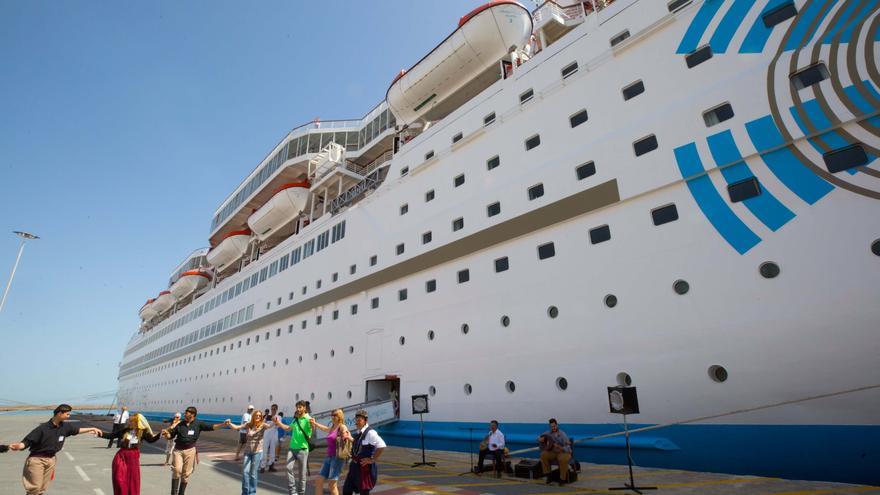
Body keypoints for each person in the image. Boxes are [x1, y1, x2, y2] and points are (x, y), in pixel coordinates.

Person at [8, 404, 104, 495]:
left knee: (42, 488)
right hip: (37, 460)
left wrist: (92, 429)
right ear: (59, 413)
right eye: (67, 414)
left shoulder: (65, 427)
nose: (69, 416)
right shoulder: (42, 428)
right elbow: (27, 441)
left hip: (51, 460)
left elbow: (77, 430)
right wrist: (19, 446)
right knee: (34, 488)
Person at [162, 406, 226, 495]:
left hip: (190, 451)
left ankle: (181, 493)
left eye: (186, 413)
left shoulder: (198, 423)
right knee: (176, 470)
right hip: (178, 450)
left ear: (192, 414)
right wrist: (166, 435)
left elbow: (211, 427)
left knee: (186, 474)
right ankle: (173, 493)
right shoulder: (180, 424)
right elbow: (171, 435)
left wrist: (223, 424)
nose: (184, 414)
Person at [102, 412, 162, 495]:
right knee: (119, 478)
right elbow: (112, 435)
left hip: (133, 457)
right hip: (122, 455)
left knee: (132, 479)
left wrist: (160, 434)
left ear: (137, 422)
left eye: (131, 421)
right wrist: (99, 433)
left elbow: (151, 440)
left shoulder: (142, 432)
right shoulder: (126, 430)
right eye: (129, 421)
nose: (129, 423)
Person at [225, 410, 275, 495]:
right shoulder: (248, 424)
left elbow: (270, 426)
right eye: (256, 415)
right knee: (245, 472)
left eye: (260, 416)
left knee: (253, 474)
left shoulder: (263, 425)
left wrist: (275, 420)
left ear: (261, 417)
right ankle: (245, 493)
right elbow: (237, 427)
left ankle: (252, 493)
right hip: (247, 452)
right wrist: (229, 423)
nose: (258, 417)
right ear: (253, 416)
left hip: (257, 452)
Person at [341, 409, 385, 495]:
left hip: (364, 468)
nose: (356, 422)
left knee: (364, 492)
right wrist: (350, 438)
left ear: (365, 421)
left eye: (359, 420)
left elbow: (382, 445)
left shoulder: (370, 433)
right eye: (356, 420)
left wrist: (372, 460)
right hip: (354, 467)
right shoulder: (359, 432)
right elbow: (359, 444)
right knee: (346, 490)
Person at [274, 400, 312, 495]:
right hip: (292, 448)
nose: (298, 409)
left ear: (304, 408)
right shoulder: (295, 420)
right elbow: (288, 428)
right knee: (288, 467)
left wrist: (312, 426)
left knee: (302, 474)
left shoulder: (308, 419)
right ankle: (292, 491)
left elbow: (310, 434)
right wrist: (279, 423)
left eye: (300, 407)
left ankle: (301, 492)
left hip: (302, 449)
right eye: (297, 407)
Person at [310, 409, 350, 495]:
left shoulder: (342, 427)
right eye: (331, 415)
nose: (332, 416)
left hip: (337, 458)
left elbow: (348, 437)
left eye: (335, 415)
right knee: (318, 480)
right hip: (328, 457)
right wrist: (315, 423)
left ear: (339, 416)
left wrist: (345, 436)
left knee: (332, 484)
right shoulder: (332, 427)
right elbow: (325, 428)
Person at [538, 418, 572, 486]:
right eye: (551, 426)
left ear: (557, 425)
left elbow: (568, 448)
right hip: (553, 452)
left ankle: (562, 479)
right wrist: (540, 439)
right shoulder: (547, 433)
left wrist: (560, 447)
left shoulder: (562, 434)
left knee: (562, 459)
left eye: (554, 426)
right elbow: (539, 437)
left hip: (563, 452)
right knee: (543, 455)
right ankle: (549, 476)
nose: (553, 428)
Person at [260, 405, 280, 473]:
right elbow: (263, 424)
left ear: (276, 409)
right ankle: (262, 466)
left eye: (274, 409)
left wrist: (274, 421)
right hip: (267, 434)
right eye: (272, 409)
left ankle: (271, 465)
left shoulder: (279, 417)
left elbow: (278, 425)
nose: (273, 410)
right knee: (264, 449)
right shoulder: (267, 416)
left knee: (273, 450)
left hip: (274, 433)